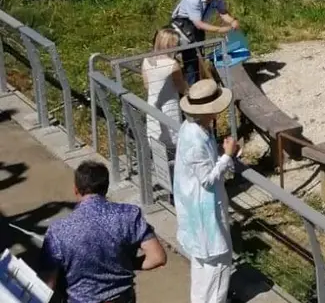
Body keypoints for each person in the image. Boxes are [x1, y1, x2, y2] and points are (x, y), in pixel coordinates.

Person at [40, 160, 167, 303]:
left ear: (75, 189)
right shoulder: (129, 215)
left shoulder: (58, 230)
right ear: (106, 188)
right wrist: (128, 264)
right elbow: (157, 257)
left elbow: (47, 284)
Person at [174, 79, 238, 303]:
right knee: (218, 265)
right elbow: (207, 180)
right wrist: (227, 156)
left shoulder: (192, 129)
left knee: (201, 268)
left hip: (196, 212)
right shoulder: (196, 139)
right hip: (205, 214)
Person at [170, 0, 238, 86]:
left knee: (200, 55)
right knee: (191, 58)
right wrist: (220, 29)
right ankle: (192, 87)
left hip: (198, 25)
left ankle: (200, 80)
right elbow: (199, 24)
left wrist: (232, 21)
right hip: (185, 25)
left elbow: (223, 12)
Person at [142, 28, 187, 188]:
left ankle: (165, 180)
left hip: (152, 106)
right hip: (170, 108)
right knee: (175, 146)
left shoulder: (146, 60)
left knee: (158, 146)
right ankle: (176, 185)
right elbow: (182, 87)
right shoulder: (172, 65)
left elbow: (147, 86)